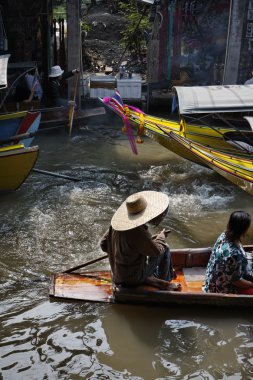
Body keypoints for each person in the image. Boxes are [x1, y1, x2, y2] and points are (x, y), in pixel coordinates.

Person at [100, 190, 181, 291]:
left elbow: (103, 244)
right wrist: (161, 236)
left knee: (151, 251)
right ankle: (165, 280)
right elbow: (156, 252)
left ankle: (148, 278)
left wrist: (120, 253)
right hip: (132, 278)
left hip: (118, 272)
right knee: (165, 248)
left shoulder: (116, 224)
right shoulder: (137, 231)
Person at [203, 211, 253, 295]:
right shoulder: (234, 254)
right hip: (223, 288)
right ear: (244, 228)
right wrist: (252, 284)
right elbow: (236, 281)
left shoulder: (225, 235)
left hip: (213, 281)